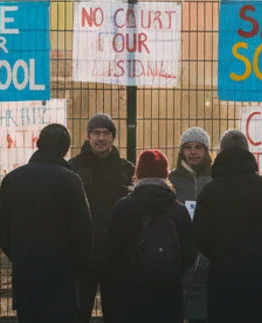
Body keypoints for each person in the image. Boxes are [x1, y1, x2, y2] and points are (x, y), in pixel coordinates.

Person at [0, 124, 94, 323]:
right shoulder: (71, 181)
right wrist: (77, 266)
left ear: (38, 143)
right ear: (66, 149)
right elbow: (84, 231)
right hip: (62, 278)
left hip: (26, 274)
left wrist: (18, 254)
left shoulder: (13, 179)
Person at [192, 130, 262, 323]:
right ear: (247, 150)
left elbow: (200, 234)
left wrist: (218, 253)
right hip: (258, 272)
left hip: (223, 273)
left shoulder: (210, 190)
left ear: (221, 152)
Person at [104, 150, 196, 323]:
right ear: (166, 174)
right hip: (169, 292)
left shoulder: (123, 207)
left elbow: (111, 252)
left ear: (137, 174)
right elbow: (189, 252)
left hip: (131, 293)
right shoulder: (178, 210)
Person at [69, 114, 135, 323]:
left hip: (116, 254)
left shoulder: (127, 169)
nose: (101, 138)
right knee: (79, 312)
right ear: (87, 137)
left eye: (106, 133)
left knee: (117, 313)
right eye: (96, 133)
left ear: (113, 137)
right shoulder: (72, 168)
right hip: (83, 253)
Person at [169, 127, 213, 323]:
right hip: (178, 254)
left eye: (198, 147)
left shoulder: (214, 180)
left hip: (208, 256)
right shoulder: (172, 180)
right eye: (188, 147)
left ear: (206, 151)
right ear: (181, 151)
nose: (193, 152)